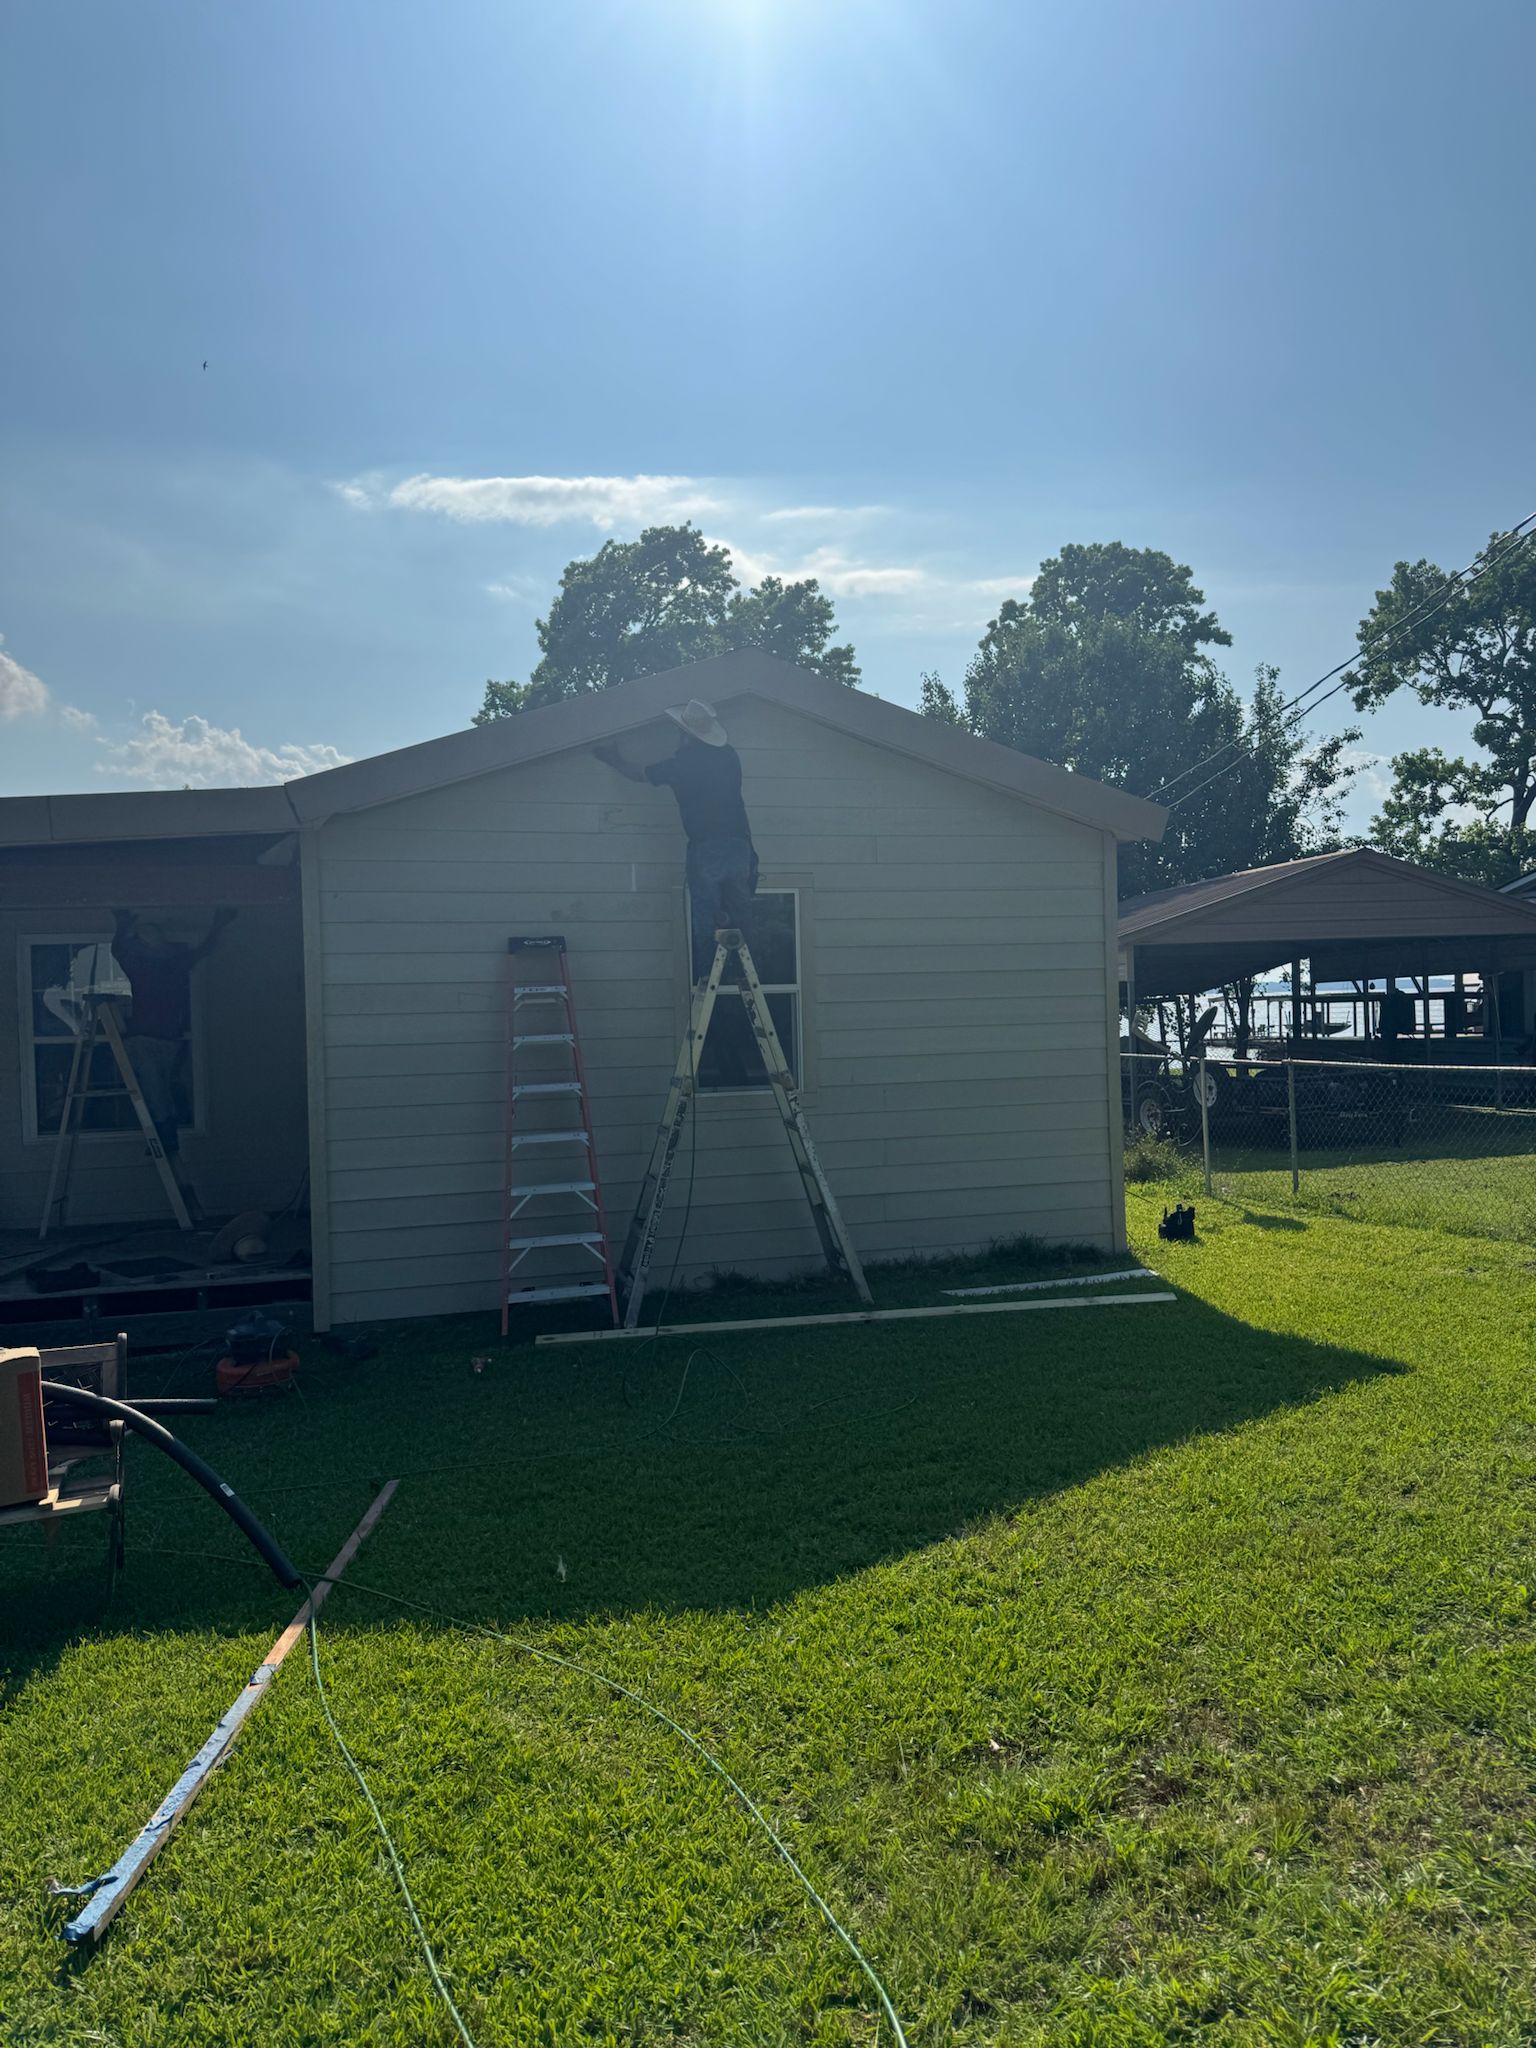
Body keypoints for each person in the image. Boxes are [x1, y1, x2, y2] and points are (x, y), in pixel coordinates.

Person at [595, 700, 758, 979]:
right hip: (739, 845)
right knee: (741, 910)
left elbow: (639, 774)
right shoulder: (729, 756)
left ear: (685, 735)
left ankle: (708, 974)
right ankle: (748, 968)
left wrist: (612, 758)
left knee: (704, 911)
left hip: (707, 845)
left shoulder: (682, 764)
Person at [110, 908, 236, 1186]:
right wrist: (122, 924)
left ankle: (165, 1136)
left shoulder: (162, 964)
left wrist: (219, 923)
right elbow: (119, 951)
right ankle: (166, 1138)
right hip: (151, 1039)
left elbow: (203, 949)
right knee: (156, 1090)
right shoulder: (162, 964)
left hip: (162, 1040)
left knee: (159, 1090)